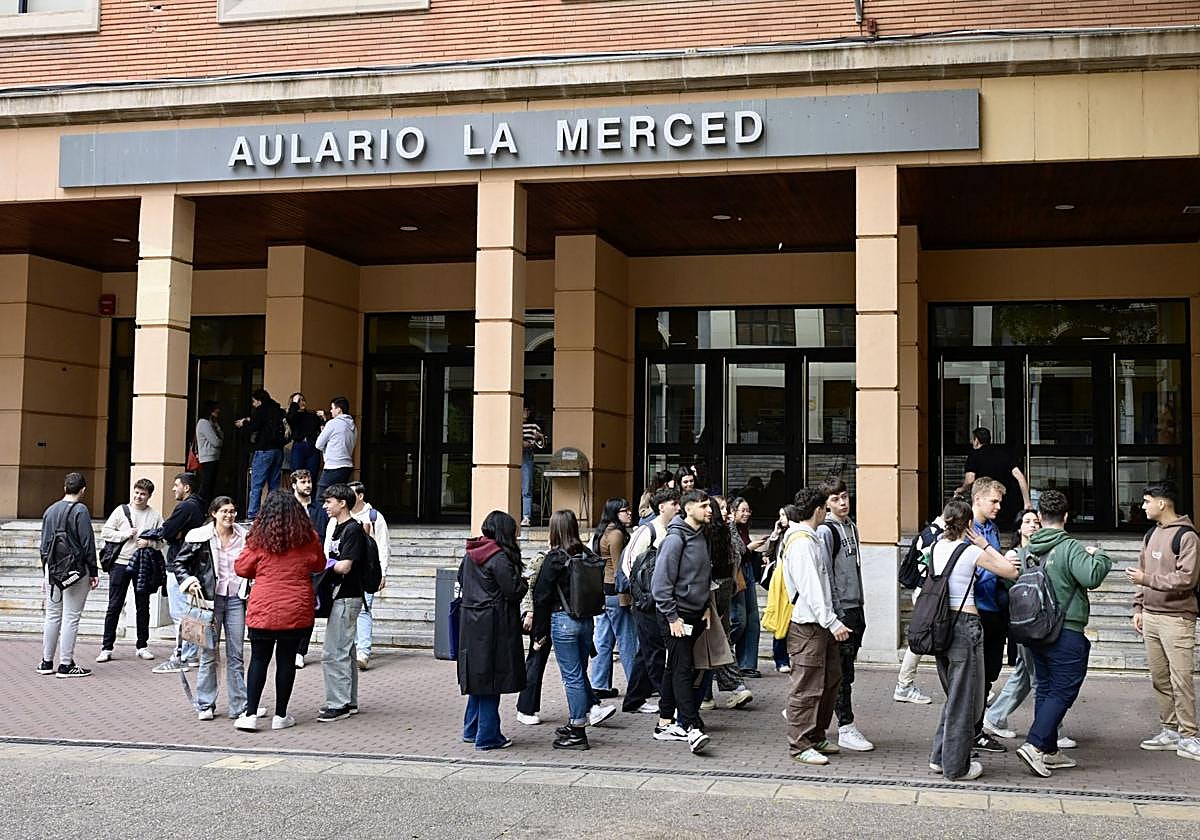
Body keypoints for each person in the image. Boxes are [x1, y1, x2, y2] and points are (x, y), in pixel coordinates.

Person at [1014, 489, 1111, 777]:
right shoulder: (1069, 547)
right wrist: (1100, 555)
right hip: (1065, 628)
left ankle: (1050, 750)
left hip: (1034, 628)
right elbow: (1091, 576)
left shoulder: (1029, 549)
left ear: (1040, 518)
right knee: (1064, 687)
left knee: (1044, 686)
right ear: (1066, 517)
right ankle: (1034, 746)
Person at [926, 498, 1020, 781]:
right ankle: (957, 766)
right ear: (968, 524)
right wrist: (983, 543)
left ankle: (939, 757)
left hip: (939, 626)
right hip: (965, 625)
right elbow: (1010, 570)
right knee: (966, 699)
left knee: (955, 695)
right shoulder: (969, 552)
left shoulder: (935, 547)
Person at [235, 490, 327, 732]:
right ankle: (281, 715)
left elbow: (242, 568)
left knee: (258, 660)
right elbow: (318, 564)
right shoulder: (308, 538)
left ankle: (251, 714)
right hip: (296, 607)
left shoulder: (258, 539)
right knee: (286, 661)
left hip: (263, 605)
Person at [984, 509, 1069, 746]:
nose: (1032, 526)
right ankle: (1053, 731)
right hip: (1026, 623)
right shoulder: (1013, 555)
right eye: (1027, 522)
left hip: (1039, 622)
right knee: (1040, 678)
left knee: (1024, 673)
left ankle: (994, 717)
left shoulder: (1041, 552)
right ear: (1019, 528)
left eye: (1036, 522)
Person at [534, 510, 618, 750]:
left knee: (571, 676)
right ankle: (577, 723)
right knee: (579, 672)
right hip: (585, 619)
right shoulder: (586, 554)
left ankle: (578, 728)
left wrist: (539, 633)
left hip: (562, 619)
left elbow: (541, 595)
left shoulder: (555, 558)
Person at [1128, 482, 1199, 761]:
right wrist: (1138, 607)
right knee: (1160, 678)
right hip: (1152, 617)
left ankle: (1190, 735)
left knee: (1181, 679)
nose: (1143, 506)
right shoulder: (1150, 534)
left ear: (1162, 503)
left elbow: (1186, 579)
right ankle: (1170, 730)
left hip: (1178, 618)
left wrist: (1147, 581)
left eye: (1146, 501)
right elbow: (1142, 570)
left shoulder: (1186, 536)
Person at [781, 489, 851, 766]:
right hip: (808, 625)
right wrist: (832, 621)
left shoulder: (808, 539)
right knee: (806, 687)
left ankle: (816, 735)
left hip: (818, 624)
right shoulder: (802, 544)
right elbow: (812, 588)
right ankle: (800, 744)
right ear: (819, 509)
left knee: (829, 680)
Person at [173, 495, 253, 723]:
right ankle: (205, 703)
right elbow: (180, 563)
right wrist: (189, 581)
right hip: (209, 601)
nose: (229, 515)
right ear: (214, 513)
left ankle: (239, 705)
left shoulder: (245, 536)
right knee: (208, 653)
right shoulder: (200, 536)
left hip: (237, 598)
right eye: (225, 511)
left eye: (232, 511)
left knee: (236, 654)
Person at [650, 488, 713, 755]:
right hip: (677, 615)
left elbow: (702, 575)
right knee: (682, 668)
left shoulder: (700, 536)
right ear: (689, 509)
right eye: (704, 505)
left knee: (674, 666)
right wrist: (672, 616)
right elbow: (660, 584)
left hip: (695, 613)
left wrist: (707, 607)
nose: (710, 510)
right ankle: (690, 725)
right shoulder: (676, 539)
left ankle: (665, 722)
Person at [458, 510, 527, 751]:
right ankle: (488, 736)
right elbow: (513, 590)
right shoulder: (498, 557)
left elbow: (461, 581)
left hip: (470, 622)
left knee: (478, 678)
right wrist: (524, 582)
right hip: (494, 624)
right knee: (491, 680)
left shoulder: (471, 553)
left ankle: (471, 729)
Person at [817, 478, 873, 753]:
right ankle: (845, 726)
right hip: (842, 611)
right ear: (826, 503)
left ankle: (812, 711)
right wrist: (835, 613)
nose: (843, 502)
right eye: (836, 499)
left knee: (841, 669)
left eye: (845, 496)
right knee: (842, 672)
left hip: (856, 607)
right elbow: (825, 574)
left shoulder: (851, 526)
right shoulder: (827, 532)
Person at [620, 486, 678, 715]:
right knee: (654, 652)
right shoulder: (647, 531)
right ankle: (668, 701)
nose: (678, 507)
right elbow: (628, 564)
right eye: (674, 503)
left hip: (658, 599)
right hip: (647, 602)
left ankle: (633, 699)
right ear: (662, 507)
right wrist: (641, 592)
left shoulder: (670, 530)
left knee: (646, 652)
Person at [36, 472, 98, 679]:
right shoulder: (80, 510)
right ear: (83, 490)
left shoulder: (50, 510)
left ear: (64, 488)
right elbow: (87, 542)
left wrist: (46, 572)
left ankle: (46, 662)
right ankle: (65, 664)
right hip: (75, 571)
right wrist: (93, 571)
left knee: (52, 616)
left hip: (52, 570)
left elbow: (44, 545)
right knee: (71, 617)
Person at [323, 480, 390, 671]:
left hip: (358, 581)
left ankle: (363, 651)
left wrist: (383, 572)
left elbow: (383, 547)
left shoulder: (370, 519)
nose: (325, 506)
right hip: (338, 586)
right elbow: (328, 546)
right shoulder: (335, 523)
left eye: (329, 502)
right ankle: (357, 652)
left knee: (363, 612)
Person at [97, 478, 164, 663]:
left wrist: (149, 543)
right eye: (136, 492)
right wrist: (125, 534)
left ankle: (142, 645)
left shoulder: (155, 515)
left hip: (143, 563)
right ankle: (106, 647)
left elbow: (163, 539)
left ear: (149, 496)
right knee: (114, 605)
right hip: (120, 563)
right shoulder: (121, 511)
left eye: (143, 494)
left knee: (143, 606)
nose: (138, 496)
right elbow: (106, 532)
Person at [967, 477, 1010, 755]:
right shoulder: (965, 528)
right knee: (973, 675)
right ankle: (968, 732)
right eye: (994, 501)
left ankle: (976, 729)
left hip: (995, 608)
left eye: (999, 502)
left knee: (990, 673)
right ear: (978, 499)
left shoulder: (991, 529)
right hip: (975, 609)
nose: (998, 507)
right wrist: (1000, 565)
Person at [149, 472, 208, 674]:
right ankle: (190, 654)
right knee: (191, 612)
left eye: (176, 485)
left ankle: (182, 655)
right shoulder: (200, 505)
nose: (173, 489)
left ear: (187, 487)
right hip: (193, 565)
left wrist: (172, 534)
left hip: (179, 564)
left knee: (181, 614)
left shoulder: (185, 507)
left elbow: (166, 531)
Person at [318, 483, 368, 722]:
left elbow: (345, 565)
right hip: (343, 595)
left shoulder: (352, 530)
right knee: (345, 651)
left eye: (329, 501)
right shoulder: (338, 528)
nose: (326, 506)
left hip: (347, 595)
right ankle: (348, 701)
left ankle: (338, 703)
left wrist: (323, 566)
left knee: (334, 651)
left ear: (342, 503)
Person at [700, 497, 753, 711]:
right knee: (719, 640)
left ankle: (727, 689)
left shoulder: (703, 534)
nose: (724, 511)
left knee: (713, 643)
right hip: (724, 586)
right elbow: (738, 554)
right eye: (721, 507)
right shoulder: (726, 531)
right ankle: (713, 693)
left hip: (711, 589)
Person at [893, 510, 946, 705]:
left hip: (925, 593)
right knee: (921, 641)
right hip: (928, 595)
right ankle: (904, 685)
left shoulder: (929, 532)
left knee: (929, 639)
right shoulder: (934, 537)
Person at [590, 497, 637, 699]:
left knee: (603, 640)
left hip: (604, 592)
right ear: (614, 513)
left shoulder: (603, 532)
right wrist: (626, 599)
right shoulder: (617, 534)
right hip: (616, 593)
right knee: (627, 641)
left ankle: (599, 684)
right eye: (625, 510)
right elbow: (621, 569)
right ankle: (636, 685)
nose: (629, 513)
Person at [957, 427, 1032, 532]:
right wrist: (1027, 502)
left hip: (986, 504)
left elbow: (970, 480)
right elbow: (1020, 476)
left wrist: (961, 490)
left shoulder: (974, 455)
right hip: (1007, 503)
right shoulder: (1004, 454)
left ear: (976, 440)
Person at [236, 389, 287, 521]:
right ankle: (273, 514)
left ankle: (252, 515)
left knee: (256, 485)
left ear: (259, 400)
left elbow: (254, 427)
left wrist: (245, 423)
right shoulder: (278, 410)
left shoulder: (261, 411)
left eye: (254, 401)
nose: (253, 405)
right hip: (278, 451)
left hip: (264, 450)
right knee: (274, 485)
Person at [730, 496, 766, 679]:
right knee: (739, 619)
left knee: (753, 621)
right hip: (737, 574)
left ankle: (747, 664)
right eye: (742, 510)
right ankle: (723, 652)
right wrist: (750, 547)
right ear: (732, 511)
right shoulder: (730, 528)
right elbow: (736, 552)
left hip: (748, 572)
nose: (746, 513)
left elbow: (747, 553)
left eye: (748, 510)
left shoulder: (744, 528)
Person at [289, 468, 321, 670]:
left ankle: (301, 650)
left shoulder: (318, 509)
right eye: (303, 482)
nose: (307, 485)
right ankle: (290, 647)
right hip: (291, 566)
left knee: (308, 610)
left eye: (309, 481)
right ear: (294, 485)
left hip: (313, 566)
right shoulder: (287, 508)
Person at [516, 546, 552, 725]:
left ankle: (589, 706)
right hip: (542, 619)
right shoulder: (541, 559)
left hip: (556, 617)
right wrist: (529, 612)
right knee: (536, 661)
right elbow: (528, 584)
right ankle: (525, 708)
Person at [758, 507, 792, 674]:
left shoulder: (795, 534)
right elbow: (769, 555)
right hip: (779, 583)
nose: (781, 519)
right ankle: (781, 659)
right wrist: (775, 534)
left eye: (784, 515)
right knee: (780, 622)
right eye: (780, 515)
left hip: (790, 583)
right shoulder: (781, 535)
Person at [315, 396, 357, 501]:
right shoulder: (353, 426)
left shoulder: (333, 423)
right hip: (347, 466)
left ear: (338, 410)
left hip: (333, 466)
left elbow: (318, 444)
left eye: (332, 408)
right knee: (339, 498)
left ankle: (322, 518)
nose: (331, 411)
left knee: (321, 498)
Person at [286, 393, 322, 479]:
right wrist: (294, 404)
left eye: (303, 400)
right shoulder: (292, 416)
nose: (302, 402)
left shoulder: (312, 416)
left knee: (312, 476)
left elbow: (322, 430)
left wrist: (323, 419)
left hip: (312, 446)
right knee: (297, 475)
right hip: (299, 446)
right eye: (299, 400)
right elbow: (290, 418)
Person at [520, 405, 546, 527]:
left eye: (527, 409)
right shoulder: (513, 424)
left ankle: (526, 516)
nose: (526, 412)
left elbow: (542, 444)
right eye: (524, 409)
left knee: (526, 487)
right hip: (514, 454)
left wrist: (538, 438)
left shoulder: (533, 426)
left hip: (526, 455)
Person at [194, 401, 223, 504]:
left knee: (209, 486)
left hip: (212, 458)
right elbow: (216, 442)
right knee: (206, 486)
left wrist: (217, 427)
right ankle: (201, 507)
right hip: (208, 458)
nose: (218, 410)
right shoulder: (204, 423)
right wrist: (220, 440)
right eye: (216, 408)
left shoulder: (210, 423)